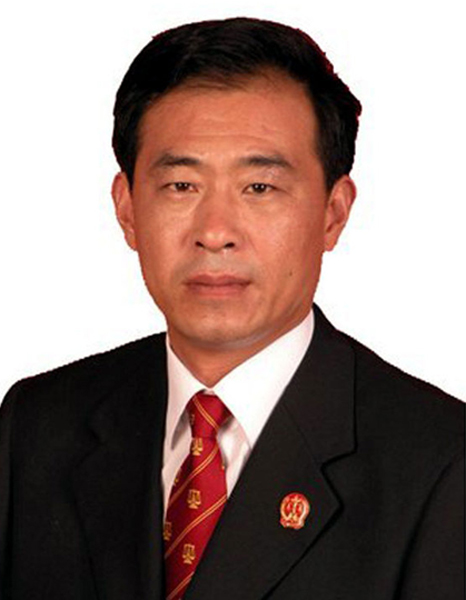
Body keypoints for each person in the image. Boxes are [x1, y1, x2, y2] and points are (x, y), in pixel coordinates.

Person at [0, 17, 463, 600]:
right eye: (181, 186)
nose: (215, 232)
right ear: (127, 209)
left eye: (259, 188)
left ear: (333, 212)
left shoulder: (443, 462)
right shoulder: (37, 426)